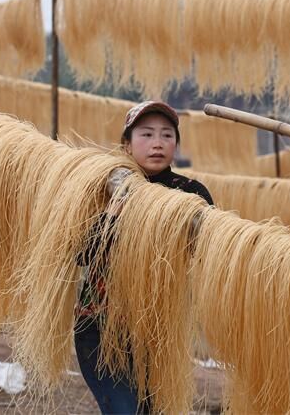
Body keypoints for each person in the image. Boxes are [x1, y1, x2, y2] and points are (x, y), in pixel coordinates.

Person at [74, 100, 212, 414]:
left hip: (158, 330)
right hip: (100, 326)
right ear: (127, 143)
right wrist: (113, 214)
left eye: (167, 135)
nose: (157, 143)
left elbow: (205, 252)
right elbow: (80, 255)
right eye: (146, 134)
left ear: (176, 144)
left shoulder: (191, 194)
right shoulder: (101, 188)